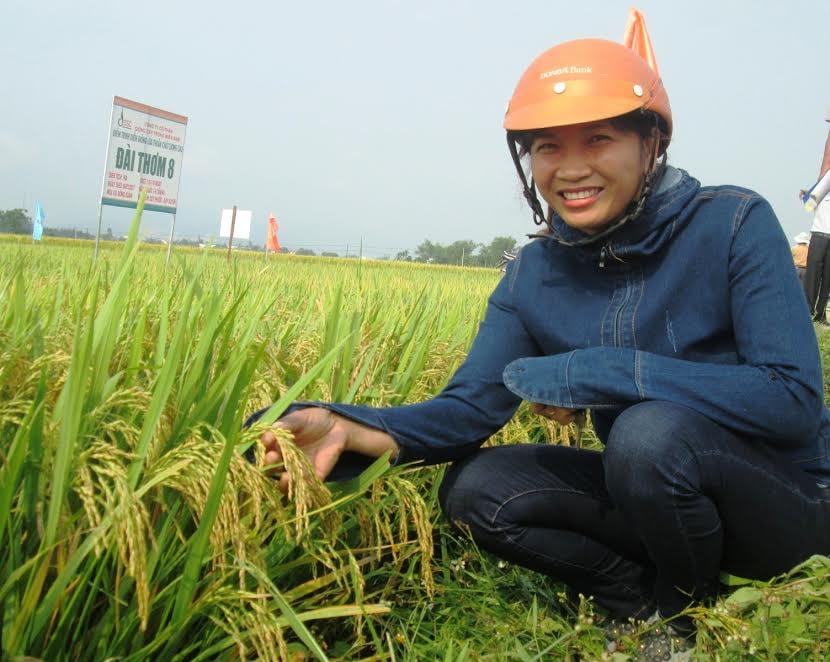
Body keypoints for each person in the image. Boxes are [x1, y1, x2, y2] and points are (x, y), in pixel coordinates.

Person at [253, 23, 830, 658]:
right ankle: (634, 596)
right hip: (661, 500)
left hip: (787, 500)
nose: (572, 167)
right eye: (548, 146)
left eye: (600, 139)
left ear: (652, 144)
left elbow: (791, 398)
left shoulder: (733, 223)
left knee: (647, 436)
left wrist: (605, 370)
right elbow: (465, 410)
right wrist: (350, 426)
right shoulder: (532, 275)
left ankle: (681, 612)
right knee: (478, 489)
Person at [803, 110, 830, 324]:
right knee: (822, 273)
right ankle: (814, 310)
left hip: (822, 230)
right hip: (823, 229)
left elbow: (815, 194)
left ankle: (813, 310)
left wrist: (807, 201)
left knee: (819, 272)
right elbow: (817, 191)